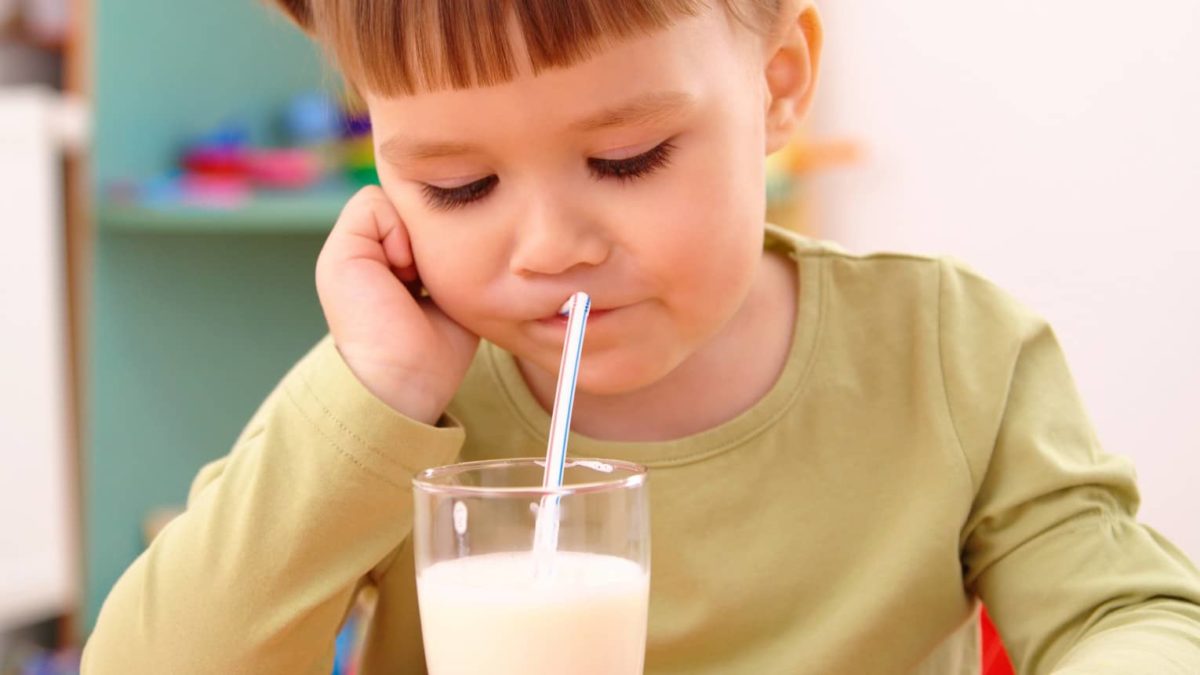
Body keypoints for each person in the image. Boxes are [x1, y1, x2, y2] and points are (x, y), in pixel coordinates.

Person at [84, 1, 1200, 672]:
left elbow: (1129, 615)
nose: (551, 246)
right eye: (457, 183)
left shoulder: (950, 357)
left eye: (627, 161)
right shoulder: (413, 407)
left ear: (778, 86)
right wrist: (370, 398)